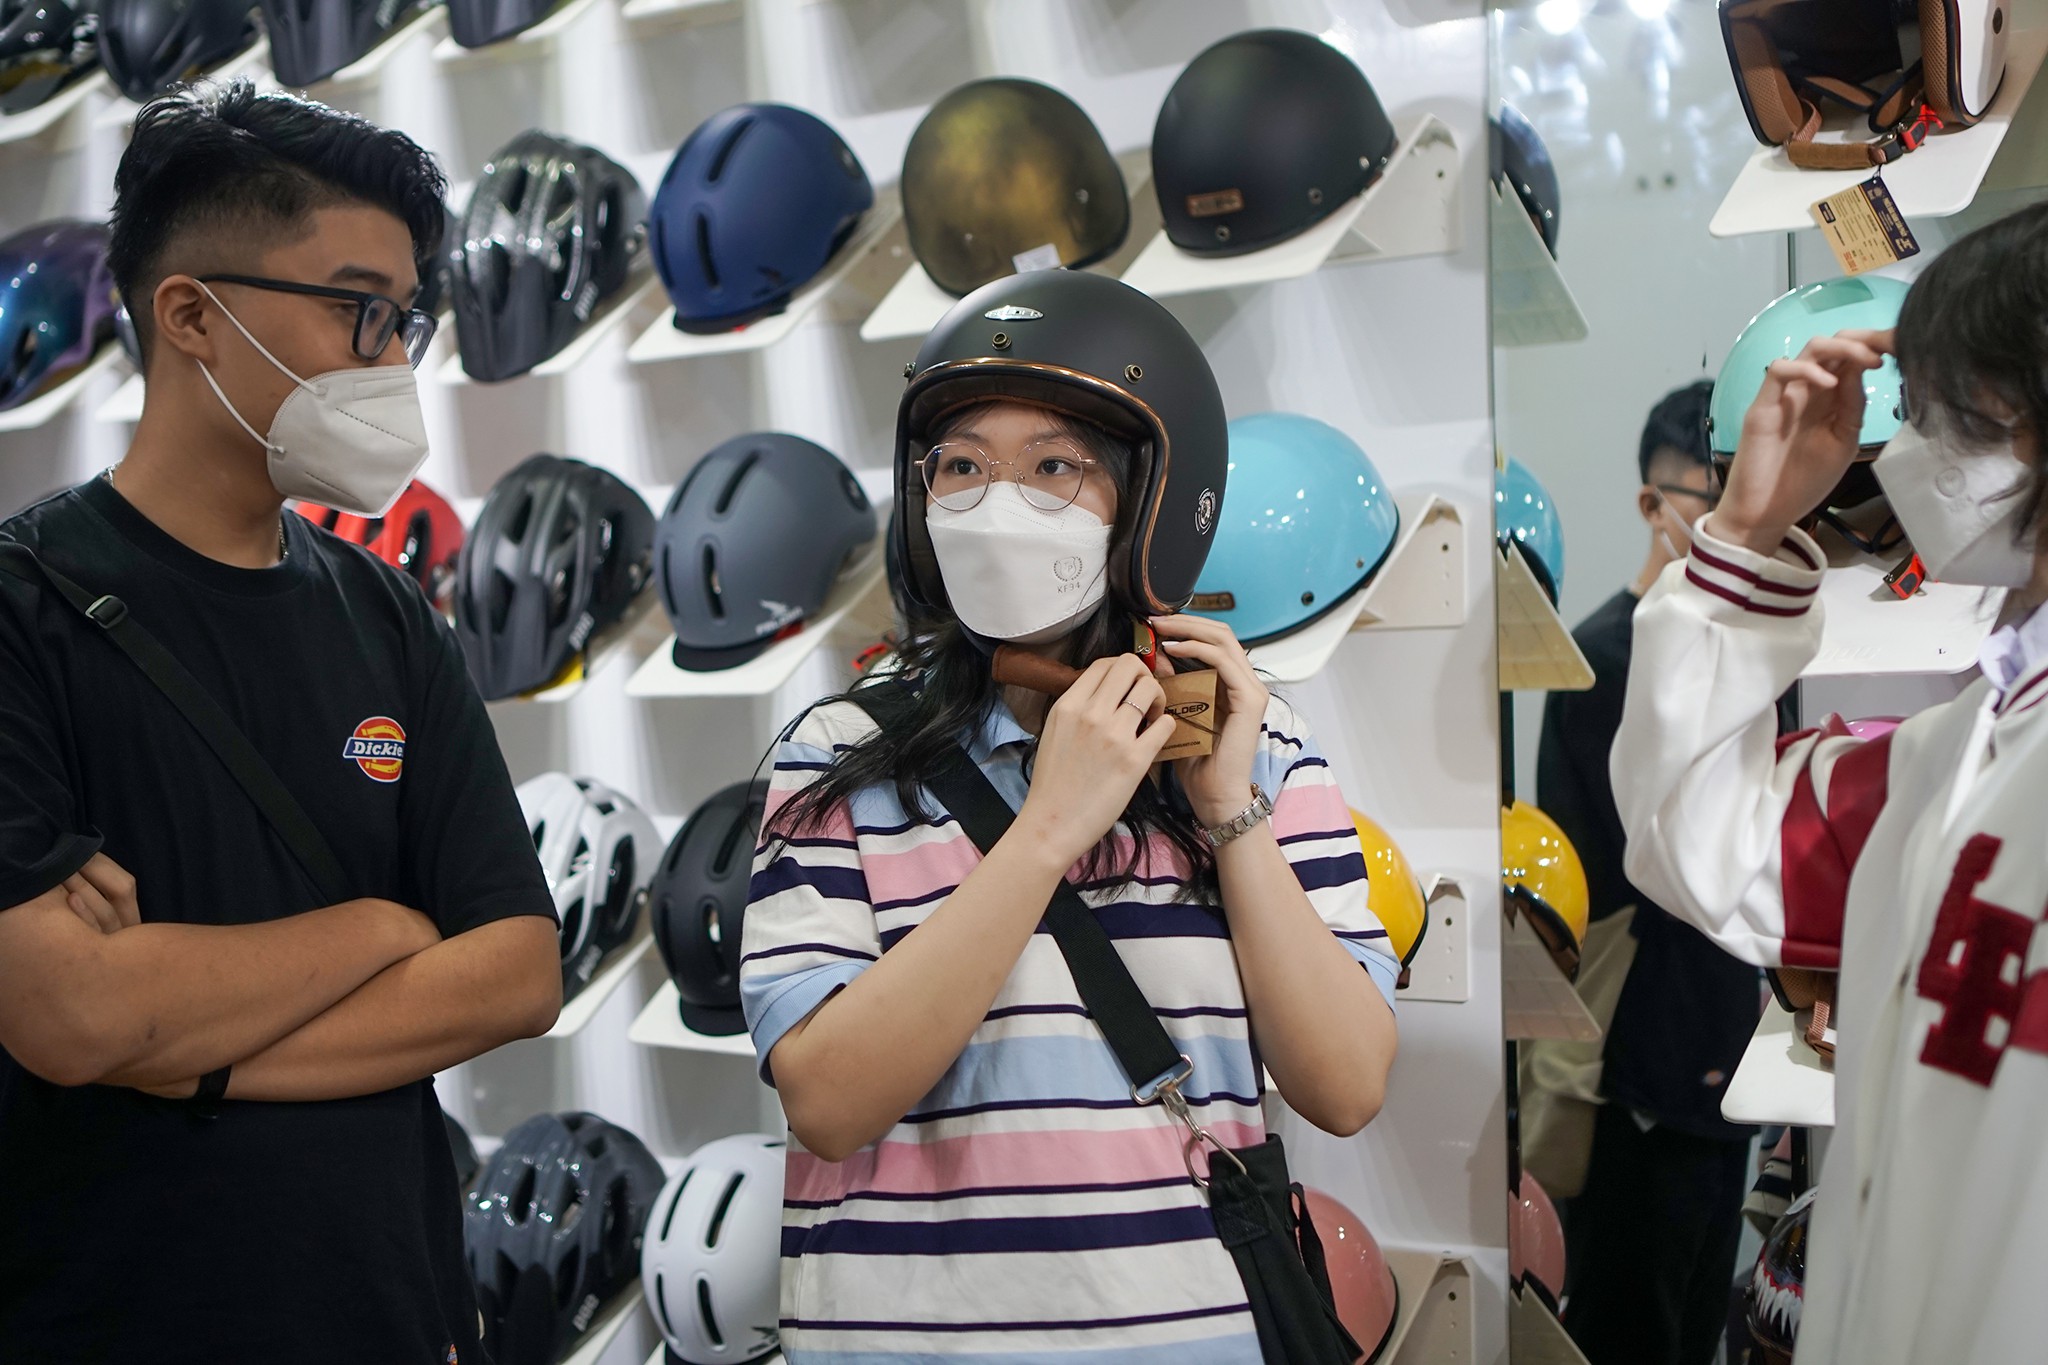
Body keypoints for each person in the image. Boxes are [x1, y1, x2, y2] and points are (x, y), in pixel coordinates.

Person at [741, 271, 1400, 1363]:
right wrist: (1048, 824)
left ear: (1151, 499)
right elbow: (828, 1101)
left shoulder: (1257, 747)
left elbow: (1343, 1084)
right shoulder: (840, 754)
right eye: (961, 466)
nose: (994, 504)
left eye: (1054, 466)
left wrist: (1226, 808)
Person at [0, 82, 560, 1362]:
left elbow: (517, 973)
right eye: (359, 309)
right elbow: (70, 1015)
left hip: (387, 1312)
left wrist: (182, 1042)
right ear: (192, 315)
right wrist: (386, 926)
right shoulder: (24, 608)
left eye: (405, 318)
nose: (392, 360)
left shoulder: (386, 611)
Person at [1611, 200, 2048, 1364]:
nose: (1897, 455)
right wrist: (1742, 534)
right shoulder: (1954, 752)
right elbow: (1696, 841)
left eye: (1944, 409)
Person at [1533, 381, 1770, 1364]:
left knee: (1698, 1321)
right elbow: (1597, 885)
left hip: (1726, 1053)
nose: (1734, 530)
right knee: (1632, 1330)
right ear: (1652, 504)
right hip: (1638, 1065)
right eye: (1713, 502)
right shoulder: (1600, 660)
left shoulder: (1745, 648)